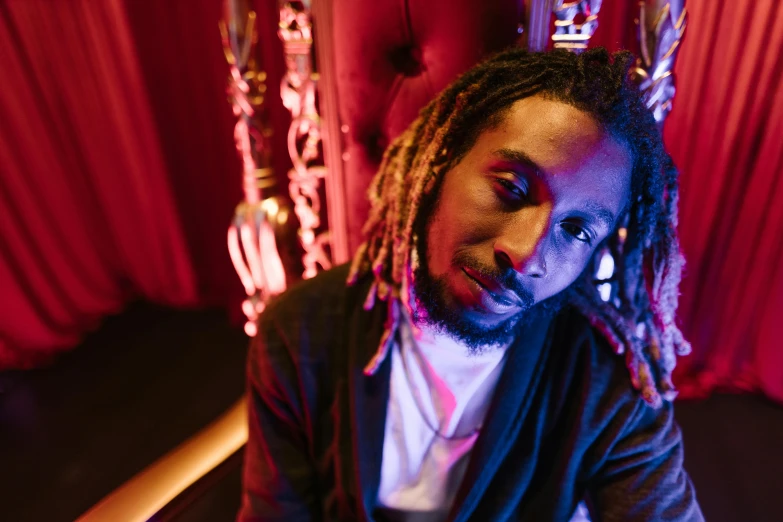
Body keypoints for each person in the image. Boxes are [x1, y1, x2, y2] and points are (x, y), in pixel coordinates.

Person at [238, 47, 704, 522]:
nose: (525, 255)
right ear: (441, 163)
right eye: (511, 188)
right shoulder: (302, 331)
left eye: (577, 230)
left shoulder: (609, 384)